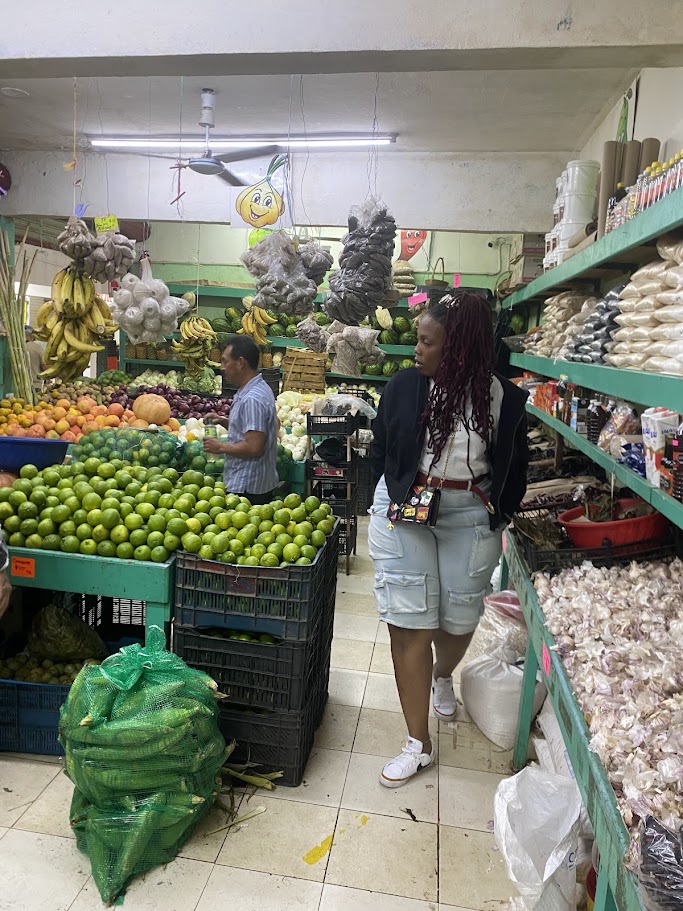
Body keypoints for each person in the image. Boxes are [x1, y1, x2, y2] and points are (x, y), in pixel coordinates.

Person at [369, 292, 529, 788]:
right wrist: (391, 495)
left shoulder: (503, 398)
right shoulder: (403, 388)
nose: (416, 349)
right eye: (417, 338)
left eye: (426, 341)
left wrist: (499, 514)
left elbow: (514, 466)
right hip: (407, 507)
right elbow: (382, 447)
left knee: (459, 616)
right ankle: (418, 742)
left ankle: (443, 675)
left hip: (469, 512)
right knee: (409, 620)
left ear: (457, 349)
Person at [203, 335, 279, 505]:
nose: (222, 368)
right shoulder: (258, 388)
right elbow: (253, 431)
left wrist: (220, 447)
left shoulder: (252, 398)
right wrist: (223, 421)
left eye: (225, 361)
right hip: (255, 482)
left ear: (240, 362)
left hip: (248, 488)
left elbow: (254, 447)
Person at [25, 326, 46, 395]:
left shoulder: (14, 347)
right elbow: (44, 367)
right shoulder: (36, 347)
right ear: (32, 337)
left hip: (16, 385)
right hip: (34, 385)